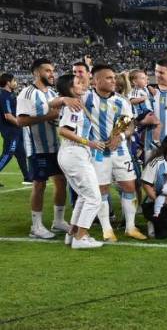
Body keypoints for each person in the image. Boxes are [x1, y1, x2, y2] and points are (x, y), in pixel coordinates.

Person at [84, 64, 147, 241]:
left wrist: (121, 136)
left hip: (120, 152)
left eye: (113, 77)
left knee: (129, 186)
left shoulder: (121, 101)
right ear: (96, 80)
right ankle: (107, 229)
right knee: (101, 189)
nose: (113, 81)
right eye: (109, 78)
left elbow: (130, 125)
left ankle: (130, 227)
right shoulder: (86, 98)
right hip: (98, 153)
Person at [17, 58, 77, 239]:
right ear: (36, 72)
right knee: (39, 184)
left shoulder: (52, 93)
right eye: (47, 71)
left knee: (61, 182)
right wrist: (47, 116)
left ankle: (58, 221)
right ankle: (36, 226)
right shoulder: (27, 93)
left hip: (55, 147)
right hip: (37, 148)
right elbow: (21, 121)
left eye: (52, 70)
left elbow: (57, 117)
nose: (52, 74)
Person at [54, 73, 104, 249]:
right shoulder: (72, 107)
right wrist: (88, 142)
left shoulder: (74, 103)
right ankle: (80, 238)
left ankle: (73, 234)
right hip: (74, 153)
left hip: (71, 153)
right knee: (94, 198)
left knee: (84, 196)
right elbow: (64, 130)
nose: (82, 84)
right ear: (70, 88)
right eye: (78, 82)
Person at [0, 72, 31, 186]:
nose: (15, 83)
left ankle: (27, 177)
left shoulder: (11, 94)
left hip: (16, 129)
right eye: (14, 81)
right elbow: (8, 115)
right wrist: (20, 123)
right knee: (8, 154)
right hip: (10, 130)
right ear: (8, 83)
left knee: (21, 153)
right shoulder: (4, 96)